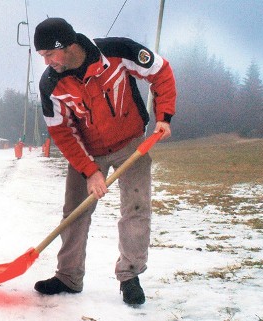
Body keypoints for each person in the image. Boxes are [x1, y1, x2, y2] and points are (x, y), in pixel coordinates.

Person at [32, 17, 176, 305]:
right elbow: (62, 132)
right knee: (75, 211)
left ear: (68, 45)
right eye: (43, 56)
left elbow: (161, 72)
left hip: (131, 143)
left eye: (49, 54)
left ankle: (130, 276)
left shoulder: (118, 51)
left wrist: (164, 117)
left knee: (136, 209)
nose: (47, 62)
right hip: (88, 151)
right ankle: (68, 277)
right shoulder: (51, 84)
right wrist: (89, 171)